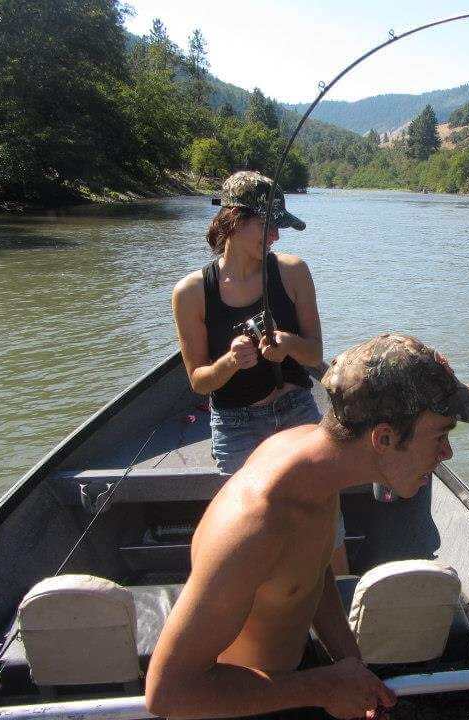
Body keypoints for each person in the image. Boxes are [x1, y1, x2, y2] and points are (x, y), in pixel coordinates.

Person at [145, 333, 469, 720]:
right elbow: (168, 693)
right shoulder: (255, 525)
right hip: (241, 704)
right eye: (441, 435)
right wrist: (324, 687)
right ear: (382, 438)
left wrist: (352, 666)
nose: (446, 453)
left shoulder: (319, 470)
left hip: (295, 679)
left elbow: (312, 575)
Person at [172, 170, 348, 573]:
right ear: (234, 219)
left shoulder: (294, 272)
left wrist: (285, 345)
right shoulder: (192, 292)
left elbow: (315, 352)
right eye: (269, 225)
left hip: (297, 411)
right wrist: (231, 361)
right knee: (245, 536)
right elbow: (199, 380)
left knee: (325, 523)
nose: (276, 237)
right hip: (235, 425)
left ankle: (342, 599)